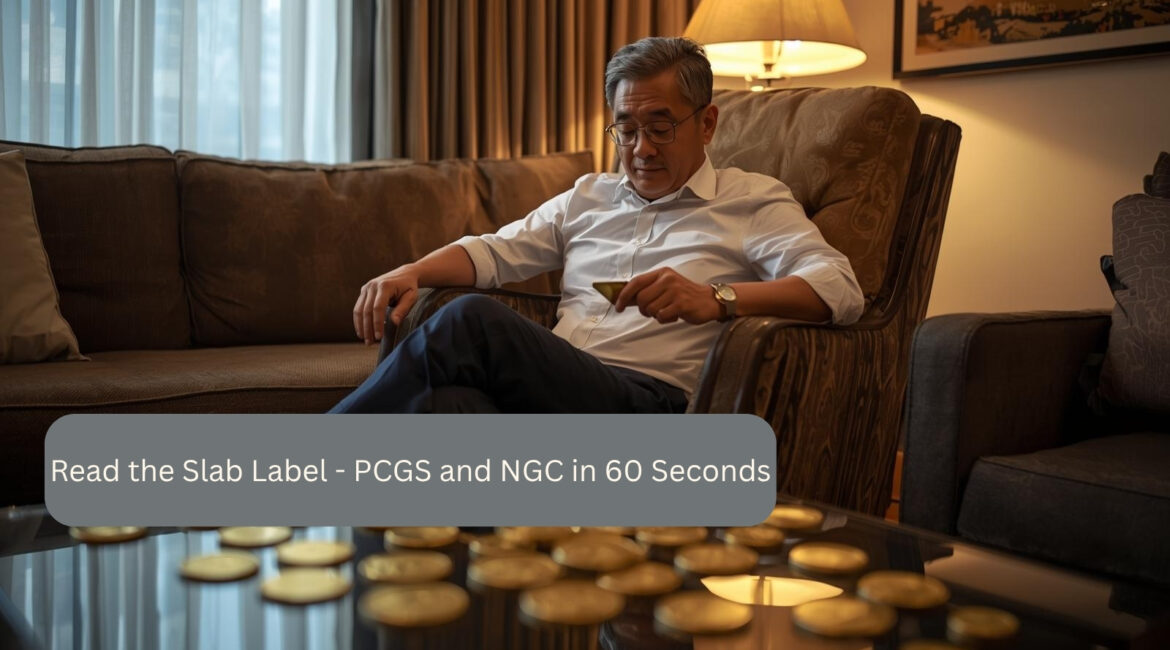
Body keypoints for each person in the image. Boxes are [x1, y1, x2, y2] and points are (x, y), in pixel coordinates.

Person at [329, 36, 863, 415]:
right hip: (555, 388)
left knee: (472, 318)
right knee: (445, 405)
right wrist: (411, 271)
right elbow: (493, 252)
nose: (641, 149)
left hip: (645, 401)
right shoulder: (589, 196)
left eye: (660, 127)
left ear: (706, 123)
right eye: (625, 130)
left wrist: (717, 298)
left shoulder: (751, 200)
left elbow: (838, 288)